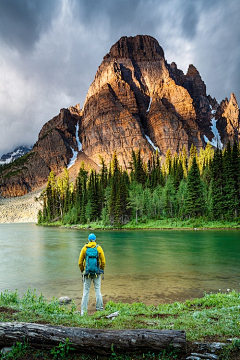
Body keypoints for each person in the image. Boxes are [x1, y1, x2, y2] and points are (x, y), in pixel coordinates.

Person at [78, 233, 106, 315]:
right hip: (97, 273)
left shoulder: (84, 248)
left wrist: (83, 270)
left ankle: (83, 311)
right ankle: (100, 309)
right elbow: (103, 262)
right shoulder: (99, 248)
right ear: (95, 240)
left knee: (86, 292)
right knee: (98, 290)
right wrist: (101, 269)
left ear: (88, 240)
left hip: (87, 273)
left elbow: (80, 262)